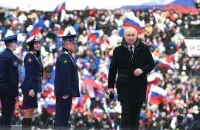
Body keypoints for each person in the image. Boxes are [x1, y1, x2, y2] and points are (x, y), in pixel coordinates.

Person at [108, 27, 155, 130]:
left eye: (133, 35)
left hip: (139, 87)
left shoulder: (144, 48)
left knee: (135, 115)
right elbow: (112, 69)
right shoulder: (118, 50)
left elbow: (151, 64)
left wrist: (142, 70)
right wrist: (110, 86)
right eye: (128, 35)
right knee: (126, 114)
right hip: (124, 87)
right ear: (124, 36)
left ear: (136, 36)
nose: (130, 38)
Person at [54, 26, 80, 130]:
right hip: (64, 93)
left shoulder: (67, 55)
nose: (75, 45)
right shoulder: (65, 56)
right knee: (61, 117)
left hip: (66, 92)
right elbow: (65, 76)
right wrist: (65, 92)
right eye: (73, 43)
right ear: (66, 44)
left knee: (64, 117)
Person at [20, 36, 43, 130]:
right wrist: (31, 88)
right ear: (30, 45)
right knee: (29, 110)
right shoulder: (30, 56)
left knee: (31, 109)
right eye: (35, 43)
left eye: (39, 43)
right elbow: (29, 74)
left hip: (33, 85)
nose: (38, 45)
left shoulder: (35, 56)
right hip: (30, 86)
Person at [0, 35, 19, 130]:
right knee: (8, 115)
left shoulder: (1, 56)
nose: (16, 45)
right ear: (12, 43)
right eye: (16, 43)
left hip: (1, 88)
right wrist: (16, 93)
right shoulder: (12, 58)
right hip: (9, 90)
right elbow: (13, 78)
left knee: (3, 113)